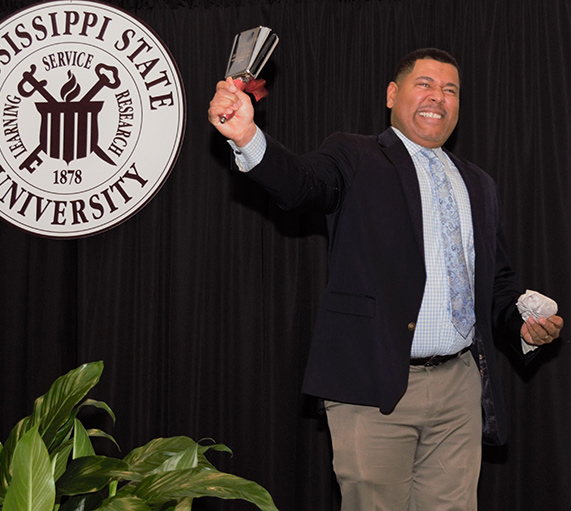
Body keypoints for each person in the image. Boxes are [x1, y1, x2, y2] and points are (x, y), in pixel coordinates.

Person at [208, 48, 563, 510]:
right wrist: (247, 135)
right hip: (373, 385)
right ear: (393, 95)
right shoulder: (355, 155)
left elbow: (496, 285)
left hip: (459, 385)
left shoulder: (480, 183)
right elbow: (301, 184)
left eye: (451, 90)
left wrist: (523, 326)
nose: (439, 97)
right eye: (426, 84)